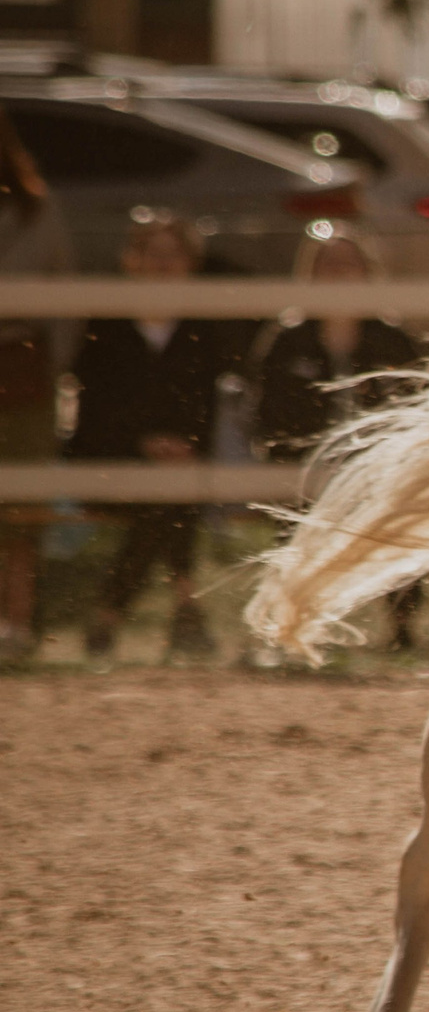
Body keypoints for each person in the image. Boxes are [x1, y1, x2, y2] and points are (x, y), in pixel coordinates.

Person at [68, 214, 234, 658]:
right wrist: (141, 443)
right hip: (109, 459)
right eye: (152, 253)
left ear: (189, 263)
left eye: (172, 254)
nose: (163, 263)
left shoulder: (203, 327)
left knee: (169, 489)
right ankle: (186, 605)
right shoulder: (108, 324)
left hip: (182, 464)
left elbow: (206, 407)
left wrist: (187, 445)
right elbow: (95, 407)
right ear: (132, 260)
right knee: (165, 491)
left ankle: (108, 616)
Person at [253, 231, 426, 648]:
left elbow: (417, 410)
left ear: (368, 274)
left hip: (379, 467)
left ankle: (402, 625)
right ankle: (296, 626)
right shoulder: (288, 339)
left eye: (349, 264)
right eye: (328, 265)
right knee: (297, 507)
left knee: (396, 504)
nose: (339, 273)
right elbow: (268, 417)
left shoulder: (392, 338)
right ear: (310, 275)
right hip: (304, 468)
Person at [0, 108, 71, 659]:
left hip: (22, 366)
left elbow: (65, 296)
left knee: (23, 502)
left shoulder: (37, 211)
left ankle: (18, 625)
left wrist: (55, 367)